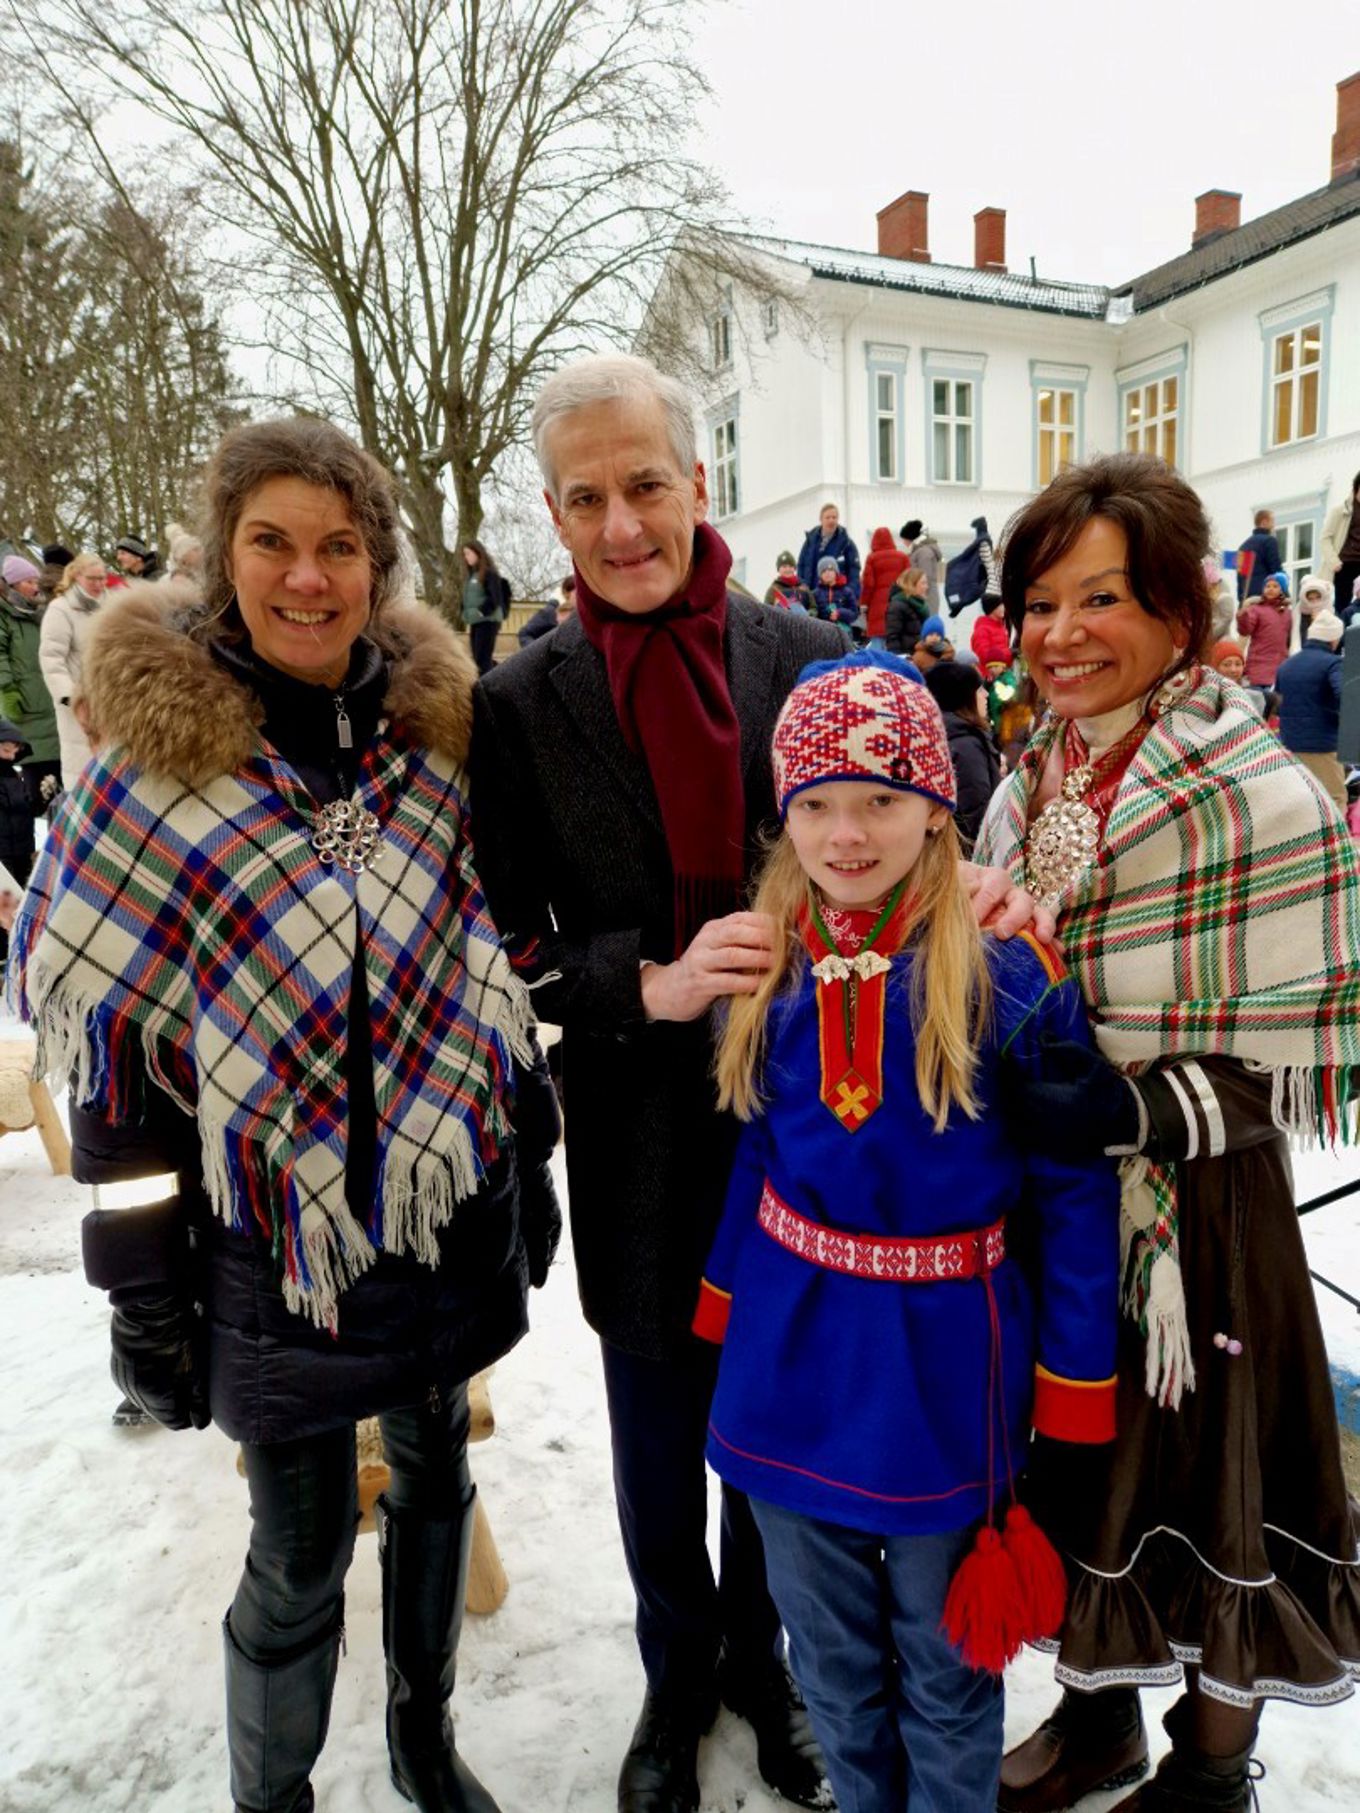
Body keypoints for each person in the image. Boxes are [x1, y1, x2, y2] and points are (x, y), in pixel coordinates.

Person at [468, 350, 1047, 1813]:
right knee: (661, 1437)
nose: (620, 525)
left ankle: (769, 1665)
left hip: (832, 1127)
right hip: (639, 1127)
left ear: (696, 480)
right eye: (585, 499)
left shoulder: (801, 649)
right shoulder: (520, 700)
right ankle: (677, 1682)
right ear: (554, 511)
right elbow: (504, 939)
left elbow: (932, 794)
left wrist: (984, 889)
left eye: (644, 484)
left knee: (786, 1439)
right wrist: (643, 983)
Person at [9, 416, 562, 1813]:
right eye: (273, 543)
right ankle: (277, 1800)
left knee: (436, 1488)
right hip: (268, 1237)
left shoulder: (437, 742)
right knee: (301, 1551)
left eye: (340, 547)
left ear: (378, 568)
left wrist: (532, 1158)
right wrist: (143, 1296)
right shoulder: (150, 771)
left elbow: (486, 973)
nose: (308, 577)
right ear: (223, 556)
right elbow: (119, 1073)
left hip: (443, 1206)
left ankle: (424, 1743)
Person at [976, 452, 1360, 1813]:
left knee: (1206, 1484)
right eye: (1040, 603)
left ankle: (1209, 1767)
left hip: (1201, 1225)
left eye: (1102, 599)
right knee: (1084, 1466)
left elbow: (1309, 1035)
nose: (1062, 634)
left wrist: (1131, 1105)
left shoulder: (1260, 793)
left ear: (1180, 614)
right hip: (1060, 1203)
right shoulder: (1032, 777)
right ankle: (1098, 1723)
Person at [694, 649, 1119, 1813]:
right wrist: (720, 1309)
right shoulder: (768, 958)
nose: (846, 833)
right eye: (817, 804)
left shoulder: (1007, 971)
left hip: (943, 1377)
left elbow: (1072, 1192)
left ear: (935, 804)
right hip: (787, 1366)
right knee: (830, 1666)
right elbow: (758, 1151)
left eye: (880, 798)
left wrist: (1074, 1392)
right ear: (784, 815)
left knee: (945, 1672)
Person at [39, 552, 109, 789]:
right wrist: (71, 697)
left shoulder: (113, 605)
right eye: (92, 579)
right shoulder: (60, 609)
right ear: (77, 576)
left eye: (102, 578)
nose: (98, 584)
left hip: (112, 700)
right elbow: (51, 658)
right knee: (82, 771)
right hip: (78, 702)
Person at [0, 553, 60, 815]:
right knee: (37, 784)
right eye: (28, 581)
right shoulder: (5, 616)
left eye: (36, 580)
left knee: (60, 784)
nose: (35, 586)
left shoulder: (43, 613)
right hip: (27, 704)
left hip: (51, 701)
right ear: (13, 585)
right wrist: (7, 689)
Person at [926, 658, 1003, 852]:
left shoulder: (944, 734)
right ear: (963, 697)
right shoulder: (966, 745)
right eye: (979, 690)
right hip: (972, 853)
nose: (985, 694)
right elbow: (977, 812)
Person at [1275, 610, 1346, 809]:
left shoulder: (1286, 665)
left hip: (1290, 744)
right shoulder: (1334, 663)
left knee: (1299, 802)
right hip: (1323, 746)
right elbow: (1345, 695)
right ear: (1333, 638)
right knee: (1334, 799)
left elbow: (1277, 704)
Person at [0, 717, 35, 964]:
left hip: (22, 850)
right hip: (2, 853)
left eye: (15, 751)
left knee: (21, 903)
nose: (11, 756)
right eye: (6, 749)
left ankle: (18, 953)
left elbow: (27, 811)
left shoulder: (16, 776)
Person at [459, 539, 511, 676]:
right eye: (464, 554)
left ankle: (489, 684)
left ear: (478, 553)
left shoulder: (489, 574)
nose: (466, 557)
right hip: (475, 622)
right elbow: (468, 599)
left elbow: (494, 598)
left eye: (468, 553)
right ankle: (499, 675)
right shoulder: (471, 577)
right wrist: (464, 612)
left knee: (482, 660)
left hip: (488, 621)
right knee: (477, 659)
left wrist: (481, 612)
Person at [1234, 572, 1291, 687]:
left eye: (1275, 586)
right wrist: (1243, 616)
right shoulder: (1256, 610)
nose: (1270, 589)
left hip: (1280, 666)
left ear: (1282, 590)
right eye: (1267, 586)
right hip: (1258, 665)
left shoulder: (1288, 613)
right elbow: (1245, 630)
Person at [797, 502, 860, 602]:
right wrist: (802, 585)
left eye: (834, 517)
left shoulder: (847, 544)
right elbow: (801, 565)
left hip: (836, 599)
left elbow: (854, 572)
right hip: (812, 596)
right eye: (827, 517)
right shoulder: (810, 541)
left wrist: (849, 595)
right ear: (821, 519)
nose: (831, 520)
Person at [1319, 471, 1360, 614]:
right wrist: (1334, 562)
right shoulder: (1340, 510)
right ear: (1356, 488)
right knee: (1342, 606)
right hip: (1344, 565)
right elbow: (1325, 538)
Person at [858, 526, 904, 648]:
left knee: (877, 644)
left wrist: (864, 604)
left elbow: (868, 584)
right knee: (895, 645)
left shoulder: (872, 558)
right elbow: (908, 582)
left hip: (876, 606)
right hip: (898, 605)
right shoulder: (903, 557)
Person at [1208, 639, 1265, 717]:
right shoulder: (1207, 698)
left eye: (1238, 664)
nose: (1233, 670)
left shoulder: (1253, 697)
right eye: (1226, 664)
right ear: (1215, 668)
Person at [1235, 509, 1280, 602]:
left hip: (1248, 599)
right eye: (1272, 521)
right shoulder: (1269, 541)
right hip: (1265, 596)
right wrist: (1284, 593)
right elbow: (1275, 569)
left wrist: (1241, 601)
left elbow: (1240, 577)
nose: (1274, 526)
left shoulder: (1242, 547)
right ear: (1264, 522)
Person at [885, 567, 930, 655]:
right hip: (907, 656)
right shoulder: (897, 606)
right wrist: (898, 658)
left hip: (920, 654)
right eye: (923, 583)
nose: (927, 587)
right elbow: (892, 637)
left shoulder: (921, 606)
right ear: (912, 584)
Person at [900, 519, 942, 613]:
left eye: (904, 539)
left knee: (927, 621)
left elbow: (926, 577)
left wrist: (919, 596)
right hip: (921, 596)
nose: (903, 542)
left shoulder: (924, 552)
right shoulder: (917, 551)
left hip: (926, 598)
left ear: (911, 538)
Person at [812, 555, 858, 637]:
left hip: (843, 634)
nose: (827, 573)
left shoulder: (847, 591)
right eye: (823, 571)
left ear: (836, 572)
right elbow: (813, 613)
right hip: (822, 634)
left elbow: (854, 613)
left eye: (830, 569)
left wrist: (840, 613)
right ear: (820, 575)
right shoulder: (815, 594)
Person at [764, 550, 815, 615]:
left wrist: (809, 614)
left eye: (790, 566)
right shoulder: (773, 589)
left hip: (804, 621)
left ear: (794, 568)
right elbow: (766, 610)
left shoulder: (804, 587)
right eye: (784, 567)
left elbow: (814, 608)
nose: (788, 569)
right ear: (778, 569)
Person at [971, 595, 1012, 673]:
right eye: (1000, 606)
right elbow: (984, 656)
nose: (1003, 608)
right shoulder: (982, 630)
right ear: (992, 608)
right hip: (989, 675)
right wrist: (1009, 654)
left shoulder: (1001, 628)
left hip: (1001, 673)